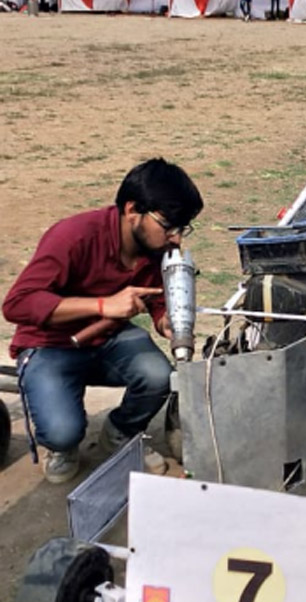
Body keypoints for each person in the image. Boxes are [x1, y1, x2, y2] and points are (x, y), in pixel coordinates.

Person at [2, 158, 203, 484]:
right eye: (169, 226)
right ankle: (61, 447)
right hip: (49, 345)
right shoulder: (74, 236)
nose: (176, 238)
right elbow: (17, 304)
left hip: (108, 339)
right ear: (132, 209)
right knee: (62, 430)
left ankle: (120, 431)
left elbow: (156, 297)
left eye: (183, 228)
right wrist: (102, 305)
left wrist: (164, 320)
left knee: (158, 376)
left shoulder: (155, 247)